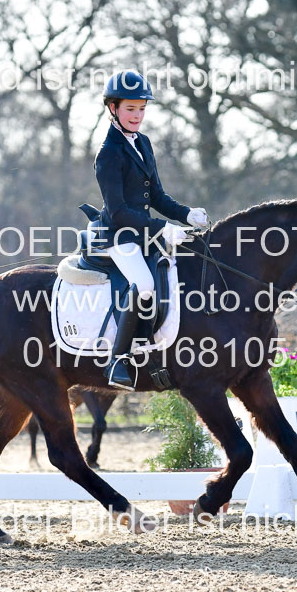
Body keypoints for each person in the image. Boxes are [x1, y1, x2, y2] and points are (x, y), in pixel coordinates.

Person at [92, 70, 208, 390]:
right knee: (143, 284)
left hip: (146, 232)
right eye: (131, 109)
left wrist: (186, 215)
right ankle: (118, 360)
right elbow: (118, 211)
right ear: (113, 108)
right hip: (119, 235)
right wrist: (162, 227)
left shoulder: (143, 142)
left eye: (142, 109)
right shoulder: (108, 154)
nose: (137, 115)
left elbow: (156, 196)